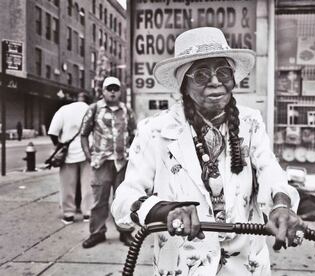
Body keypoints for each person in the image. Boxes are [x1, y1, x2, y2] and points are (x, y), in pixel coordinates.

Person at [112, 27, 304, 275]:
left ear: (233, 78)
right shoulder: (155, 130)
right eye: (201, 74)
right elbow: (124, 201)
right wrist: (166, 210)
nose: (215, 81)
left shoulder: (251, 122)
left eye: (223, 72)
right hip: (183, 266)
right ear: (183, 83)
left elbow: (271, 172)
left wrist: (281, 206)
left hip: (246, 266)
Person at [80, 76, 136, 248]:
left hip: (122, 162)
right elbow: (84, 133)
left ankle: (125, 232)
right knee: (99, 200)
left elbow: (134, 133)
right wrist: (89, 156)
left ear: (120, 91)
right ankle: (97, 233)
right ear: (103, 91)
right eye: (109, 88)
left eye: (115, 89)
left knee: (123, 199)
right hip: (101, 162)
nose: (112, 92)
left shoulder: (126, 110)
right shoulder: (94, 109)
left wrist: (132, 154)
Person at [48, 92, 94, 225]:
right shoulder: (92, 110)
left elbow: (52, 132)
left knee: (67, 186)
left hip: (68, 154)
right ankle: (88, 213)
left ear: (75, 99)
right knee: (88, 185)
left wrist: (59, 145)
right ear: (88, 100)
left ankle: (69, 214)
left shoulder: (64, 110)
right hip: (88, 152)